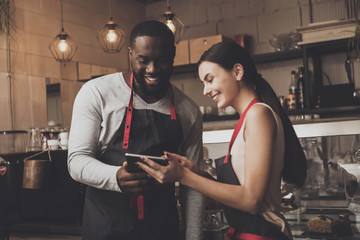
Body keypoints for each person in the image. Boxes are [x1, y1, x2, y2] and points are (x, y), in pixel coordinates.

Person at [137, 41, 308, 240]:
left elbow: (252, 200)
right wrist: (195, 171)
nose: (205, 91)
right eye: (203, 83)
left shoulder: (258, 114)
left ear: (237, 72)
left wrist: (183, 175)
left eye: (209, 80)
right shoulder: (248, 118)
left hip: (263, 234)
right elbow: (239, 192)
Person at [67, 20, 204, 240]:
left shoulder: (189, 111)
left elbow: (194, 185)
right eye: (143, 60)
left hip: (162, 230)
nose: (152, 69)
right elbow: (77, 161)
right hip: (106, 229)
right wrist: (116, 177)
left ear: (173, 56)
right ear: (130, 54)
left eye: (162, 61)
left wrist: (194, 238)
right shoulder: (96, 93)